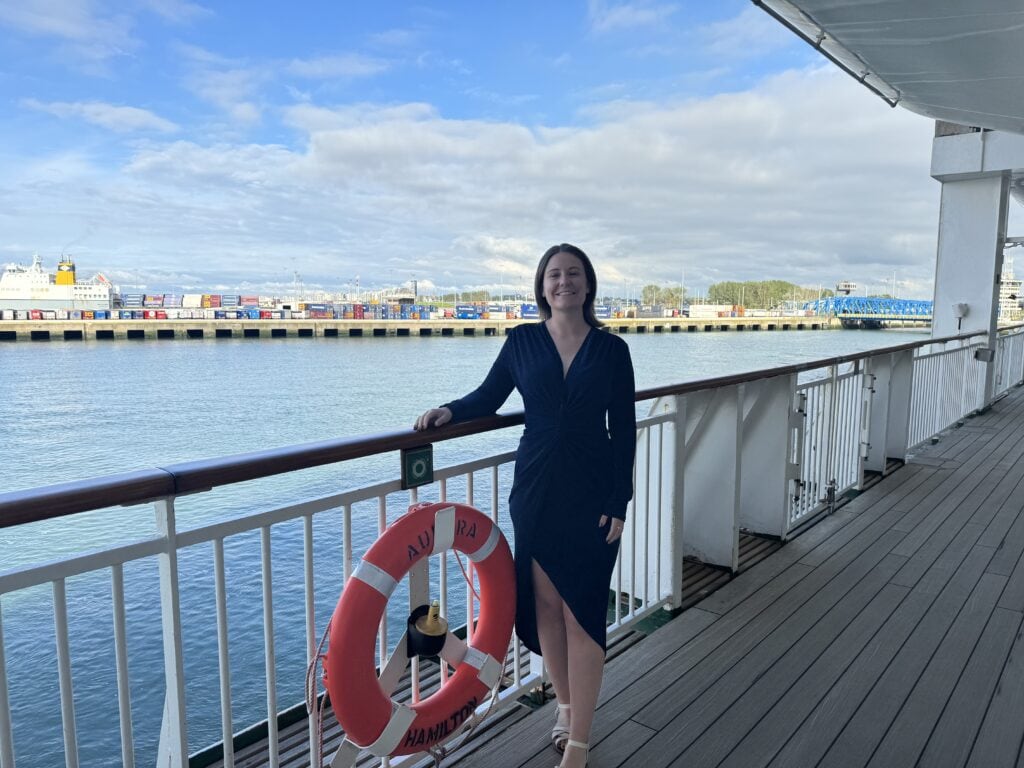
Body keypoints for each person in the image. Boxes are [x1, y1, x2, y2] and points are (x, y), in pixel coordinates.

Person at [414, 243, 636, 768]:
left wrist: (618, 499)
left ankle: (578, 742)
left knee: (583, 616)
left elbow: (623, 432)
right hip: (535, 493)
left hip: (591, 497)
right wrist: (449, 411)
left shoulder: (612, 350)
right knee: (548, 612)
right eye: (555, 275)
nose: (565, 282)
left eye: (574, 274)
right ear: (541, 287)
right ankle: (565, 705)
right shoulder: (522, 342)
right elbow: (487, 398)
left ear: (588, 285)